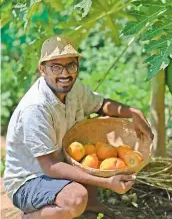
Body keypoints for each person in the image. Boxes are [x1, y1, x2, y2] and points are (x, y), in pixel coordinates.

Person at [4, 36, 154, 219]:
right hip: (28, 181)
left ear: (77, 66)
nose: (65, 74)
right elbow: (51, 166)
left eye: (71, 66)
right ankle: (29, 217)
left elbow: (101, 105)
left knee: (87, 149)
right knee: (76, 199)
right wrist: (106, 182)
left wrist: (133, 112)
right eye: (56, 67)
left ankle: (92, 206)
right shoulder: (36, 108)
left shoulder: (73, 89)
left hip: (57, 166)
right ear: (42, 69)